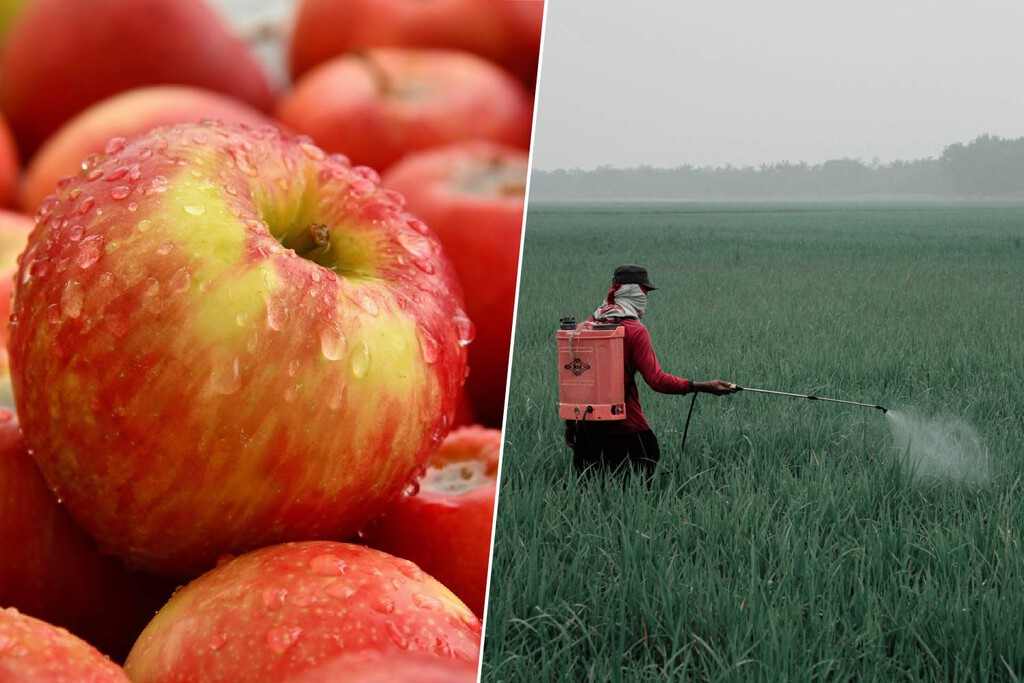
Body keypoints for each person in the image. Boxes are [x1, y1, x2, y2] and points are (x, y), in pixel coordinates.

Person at [564, 264, 737, 479]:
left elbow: (573, 381)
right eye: (644, 291)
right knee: (642, 472)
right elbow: (657, 381)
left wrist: (571, 424)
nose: (646, 297)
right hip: (626, 426)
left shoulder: (586, 325)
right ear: (634, 291)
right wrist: (703, 386)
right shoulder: (635, 330)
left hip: (586, 428)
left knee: (590, 488)